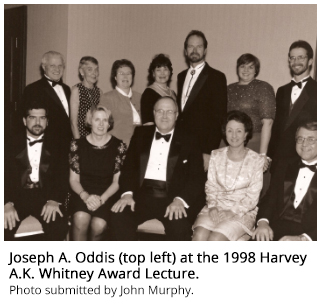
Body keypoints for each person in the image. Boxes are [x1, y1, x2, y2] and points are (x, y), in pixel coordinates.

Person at [110, 96, 206, 241]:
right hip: (141, 196)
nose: (164, 116)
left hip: (172, 198)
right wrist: (127, 194)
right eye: (160, 111)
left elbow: (196, 177)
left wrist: (180, 200)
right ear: (154, 113)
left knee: (179, 228)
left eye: (169, 111)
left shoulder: (190, 139)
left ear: (176, 115)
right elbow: (129, 168)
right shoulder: (140, 134)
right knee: (119, 217)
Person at [253, 121, 317, 241]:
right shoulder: (284, 165)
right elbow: (270, 198)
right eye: (300, 139)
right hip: (274, 228)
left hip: (311, 235)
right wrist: (263, 222)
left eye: (311, 139)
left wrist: (303, 239)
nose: (304, 144)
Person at [193, 111, 263, 241]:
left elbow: (253, 196)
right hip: (215, 207)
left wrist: (232, 212)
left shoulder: (256, 160)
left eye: (239, 131)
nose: (234, 135)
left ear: (246, 134)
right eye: (230, 130)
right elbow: (211, 185)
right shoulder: (215, 155)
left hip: (242, 211)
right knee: (199, 235)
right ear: (225, 133)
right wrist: (213, 206)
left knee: (216, 239)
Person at [4, 102, 69, 240]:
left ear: (47, 121)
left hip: (45, 196)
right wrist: (6, 202)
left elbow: (63, 175)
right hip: (16, 197)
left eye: (42, 118)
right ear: (24, 120)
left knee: (59, 226)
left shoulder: (58, 145)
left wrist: (54, 199)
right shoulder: (9, 144)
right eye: (33, 117)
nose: (38, 122)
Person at [268, 40, 317, 171]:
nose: (296, 62)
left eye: (301, 57)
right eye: (292, 58)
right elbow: (277, 126)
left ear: (310, 61)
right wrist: (269, 155)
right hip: (279, 159)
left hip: (304, 159)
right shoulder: (281, 91)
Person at [69, 106, 127, 241]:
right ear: (90, 122)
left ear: (109, 123)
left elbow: (116, 182)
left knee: (99, 224)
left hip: (107, 194)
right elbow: (73, 180)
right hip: (82, 192)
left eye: (105, 120)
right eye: (97, 120)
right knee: (80, 218)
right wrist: (86, 197)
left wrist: (101, 200)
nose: (101, 124)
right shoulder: (77, 145)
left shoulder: (119, 146)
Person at [177, 30, 227, 172]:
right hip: (180, 145)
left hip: (202, 147)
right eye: (190, 46)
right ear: (185, 51)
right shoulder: (180, 77)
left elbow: (219, 117)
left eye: (199, 46)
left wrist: (209, 151)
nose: (194, 50)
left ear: (205, 50)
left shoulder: (216, 77)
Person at [228, 53, 275, 172]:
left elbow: (268, 123)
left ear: (256, 70)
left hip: (254, 143)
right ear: (237, 68)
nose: (246, 70)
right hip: (230, 142)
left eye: (250, 67)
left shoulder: (263, 87)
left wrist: (263, 154)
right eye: (242, 66)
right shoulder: (229, 89)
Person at [23, 51, 72, 158]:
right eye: (52, 66)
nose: (57, 69)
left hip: (67, 146)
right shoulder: (33, 89)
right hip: (46, 148)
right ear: (44, 67)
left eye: (60, 66)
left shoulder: (67, 89)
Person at [99, 59, 141, 146]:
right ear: (115, 77)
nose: (125, 77)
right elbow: (101, 126)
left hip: (139, 147)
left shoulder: (140, 97)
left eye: (128, 73)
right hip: (116, 147)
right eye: (121, 73)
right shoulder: (107, 98)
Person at [70, 56, 102, 139]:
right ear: (82, 72)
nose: (94, 73)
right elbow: (73, 123)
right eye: (90, 69)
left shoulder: (100, 92)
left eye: (96, 69)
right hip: (81, 137)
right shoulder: (76, 90)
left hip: (96, 138)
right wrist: (79, 144)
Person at [141, 54, 176, 125]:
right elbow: (148, 124)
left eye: (165, 69)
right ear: (153, 73)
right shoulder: (148, 94)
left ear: (170, 72)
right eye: (158, 70)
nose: (162, 73)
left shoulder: (173, 93)